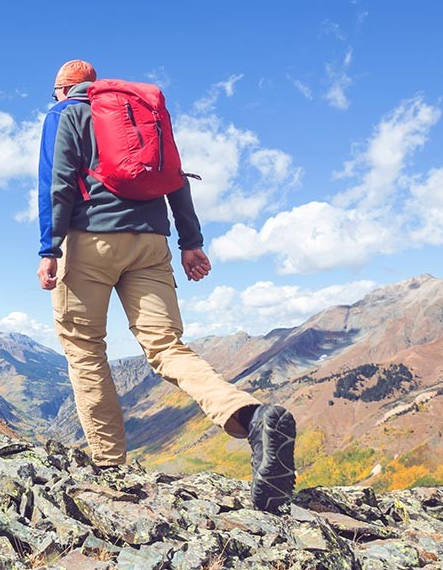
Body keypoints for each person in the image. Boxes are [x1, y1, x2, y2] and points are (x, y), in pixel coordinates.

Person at [36, 59, 297, 513]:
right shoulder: (141, 114)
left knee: (84, 349)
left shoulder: (65, 113)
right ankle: (250, 417)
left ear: (62, 89)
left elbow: (56, 181)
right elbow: (175, 179)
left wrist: (49, 247)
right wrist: (190, 242)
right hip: (151, 242)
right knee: (167, 347)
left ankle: (110, 468)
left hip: (90, 242)